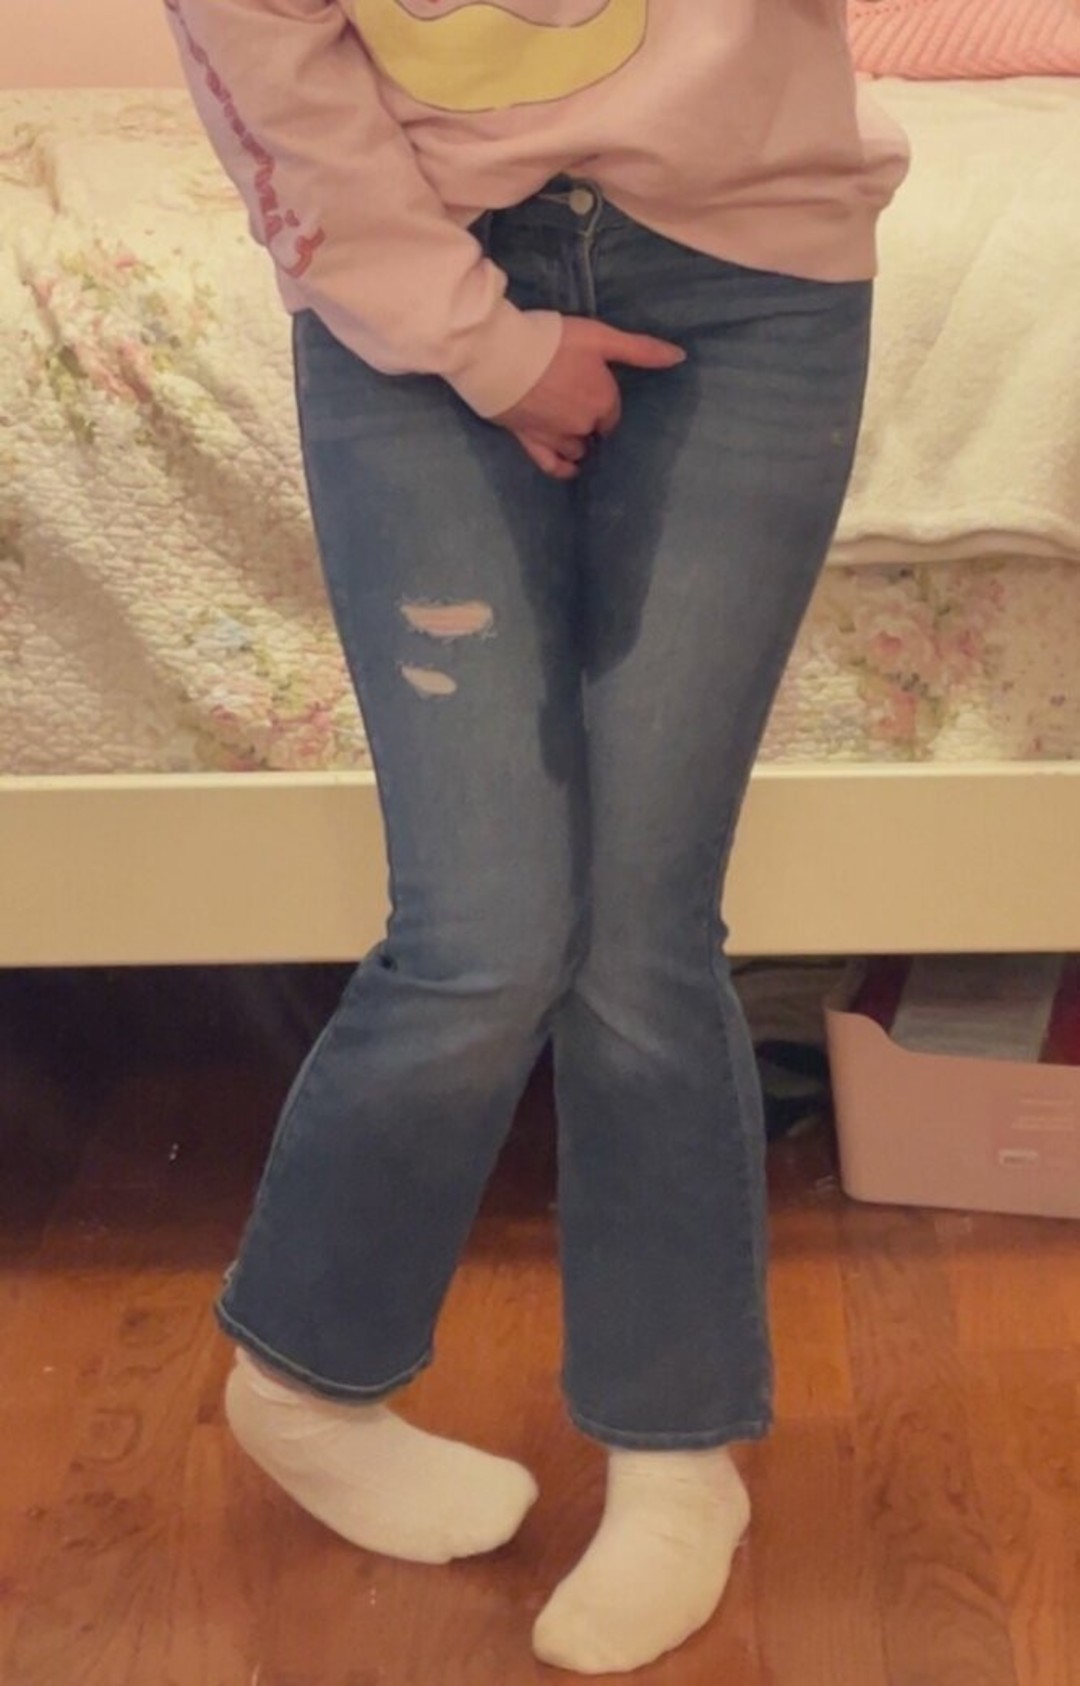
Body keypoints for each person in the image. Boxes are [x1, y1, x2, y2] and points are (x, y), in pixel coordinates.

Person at [166, 1, 908, 1673]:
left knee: (645, 923)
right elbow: (268, 61)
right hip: (410, 254)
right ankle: (303, 1376)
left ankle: (677, 1452)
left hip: (755, 264)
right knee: (484, 931)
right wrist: (489, 350)